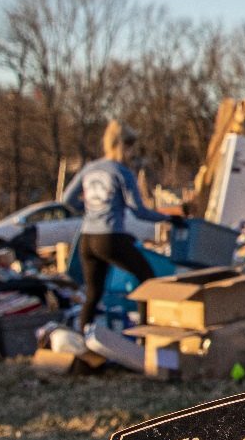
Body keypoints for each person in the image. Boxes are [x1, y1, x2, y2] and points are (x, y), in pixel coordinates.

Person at [61, 120, 177, 329]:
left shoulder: (90, 168)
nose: (133, 153)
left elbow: (66, 199)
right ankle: (145, 333)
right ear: (123, 146)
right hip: (110, 237)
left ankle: (83, 342)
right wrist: (168, 218)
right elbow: (138, 211)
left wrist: (89, 208)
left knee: (93, 293)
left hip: (86, 238)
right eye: (131, 147)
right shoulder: (121, 172)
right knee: (147, 278)